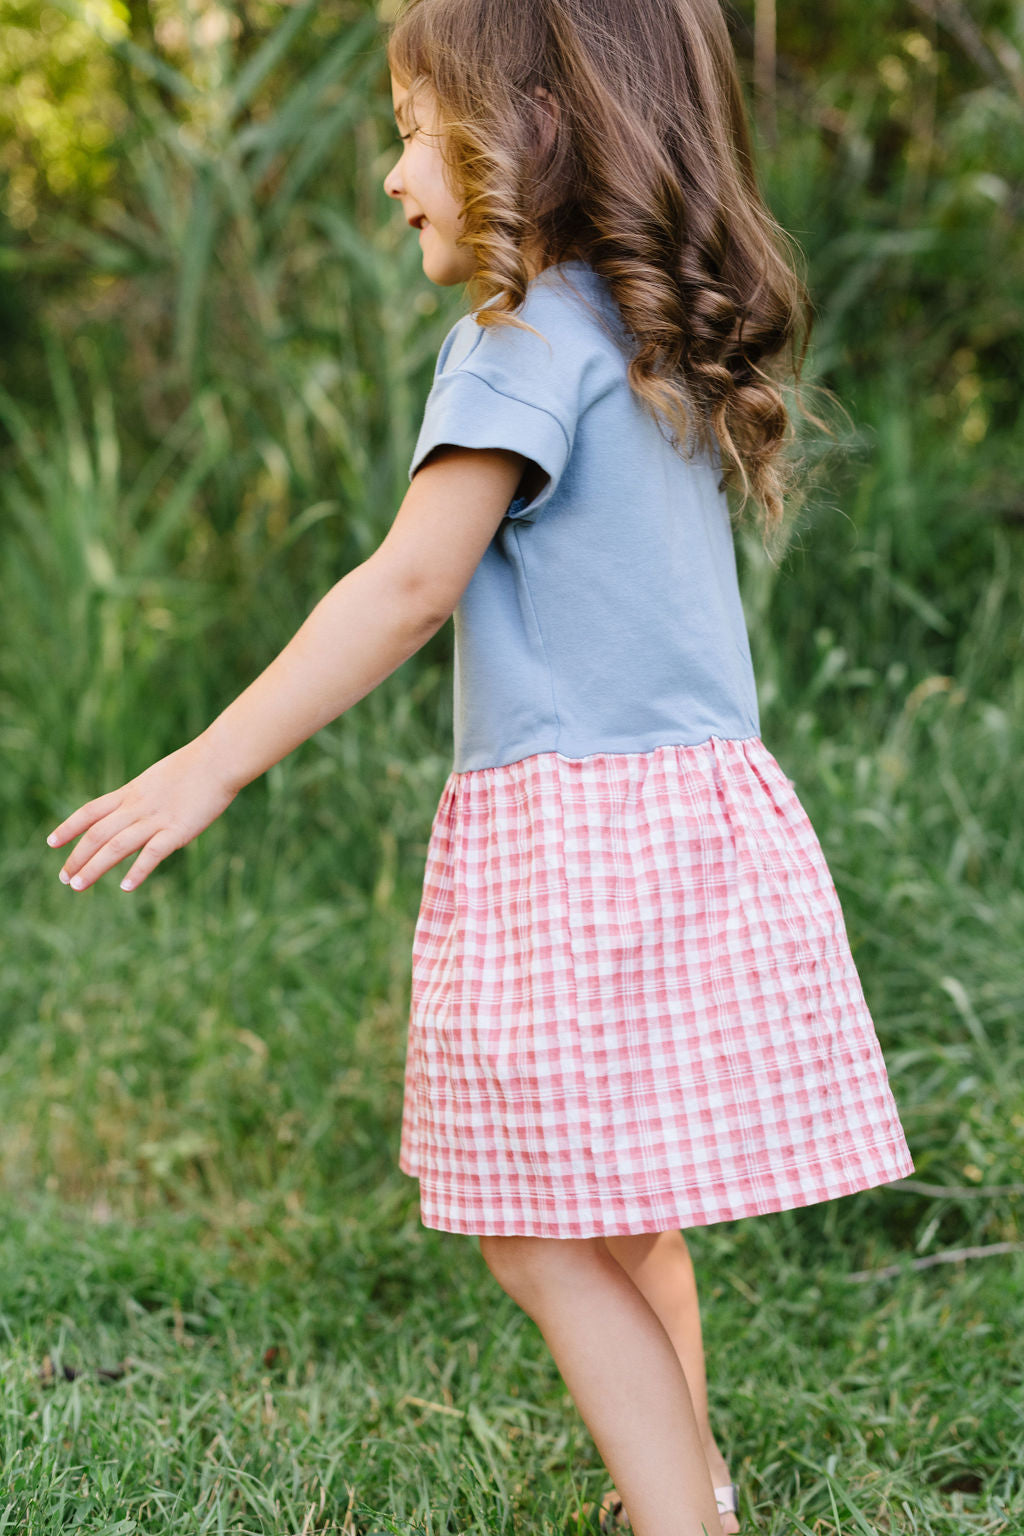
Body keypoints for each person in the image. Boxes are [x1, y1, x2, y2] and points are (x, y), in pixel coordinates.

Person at [46, 1, 915, 1532]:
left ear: (529, 124)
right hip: (692, 823)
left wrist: (211, 764)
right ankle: (690, 1474)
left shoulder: (515, 341)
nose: (394, 175)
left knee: (531, 1231)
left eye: (408, 129)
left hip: (578, 846)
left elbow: (404, 584)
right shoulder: (638, 332)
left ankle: (681, 1519)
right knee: (627, 1212)